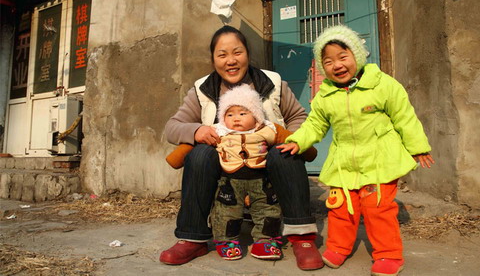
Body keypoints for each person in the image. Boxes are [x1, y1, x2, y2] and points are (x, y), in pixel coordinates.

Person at [160, 25, 324, 270]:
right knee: (199, 155)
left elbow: (298, 117)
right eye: (222, 54)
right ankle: (193, 238)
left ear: (247, 54)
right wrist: (196, 131)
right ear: (213, 59)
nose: (230, 61)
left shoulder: (273, 82)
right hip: (226, 165)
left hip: (265, 161)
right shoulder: (203, 89)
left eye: (237, 52)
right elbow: (172, 127)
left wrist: (290, 139)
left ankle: (302, 237)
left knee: (286, 154)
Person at [278, 25, 435, 276]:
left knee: (377, 208)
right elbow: (315, 124)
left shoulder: (383, 84)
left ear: (357, 56)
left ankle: (388, 254)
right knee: (340, 208)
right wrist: (299, 141)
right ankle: (338, 248)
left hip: (379, 160)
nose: (337, 65)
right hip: (344, 162)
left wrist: (418, 148)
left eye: (343, 57)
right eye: (328, 61)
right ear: (322, 67)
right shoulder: (325, 95)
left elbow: (404, 117)